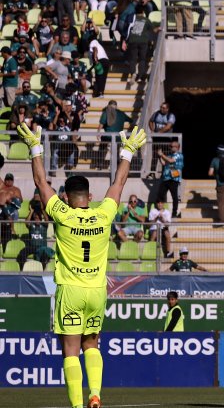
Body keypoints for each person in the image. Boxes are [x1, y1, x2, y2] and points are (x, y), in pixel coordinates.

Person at [17, 122, 147, 408]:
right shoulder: (103, 214)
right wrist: (126, 152)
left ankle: (77, 405)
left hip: (71, 291)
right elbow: (119, 184)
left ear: (66, 198)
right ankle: (96, 395)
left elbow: (40, 184)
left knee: (71, 351)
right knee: (92, 344)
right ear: (89, 197)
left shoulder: (63, 215)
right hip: (96, 291)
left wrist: (35, 148)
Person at [157, 141, 183, 218]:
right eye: (170, 146)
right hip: (166, 179)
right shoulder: (169, 155)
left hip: (174, 179)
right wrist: (159, 157)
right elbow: (164, 163)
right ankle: (160, 212)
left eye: (172, 146)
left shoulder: (179, 155)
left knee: (174, 197)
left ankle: (174, 213)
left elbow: (171, 161)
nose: (171, 148)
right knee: (160, 195)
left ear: (177, 147)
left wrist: (162, 154)